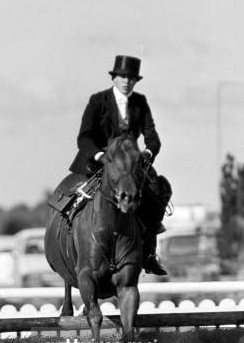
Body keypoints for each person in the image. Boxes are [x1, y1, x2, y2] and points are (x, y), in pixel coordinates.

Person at [69, 55, 170, 275]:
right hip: (98, 162)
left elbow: (152, 137)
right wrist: (99, 156)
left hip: (131, 164)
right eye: (123, 77)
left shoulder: (140, 103)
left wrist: (148, 152)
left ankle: (149, 252)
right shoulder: (98, 101)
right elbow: (84, 137)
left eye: (131, 78)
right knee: (71, 198)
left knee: (159, 188)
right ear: (114, 78)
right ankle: (68, 238)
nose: (127, 81)